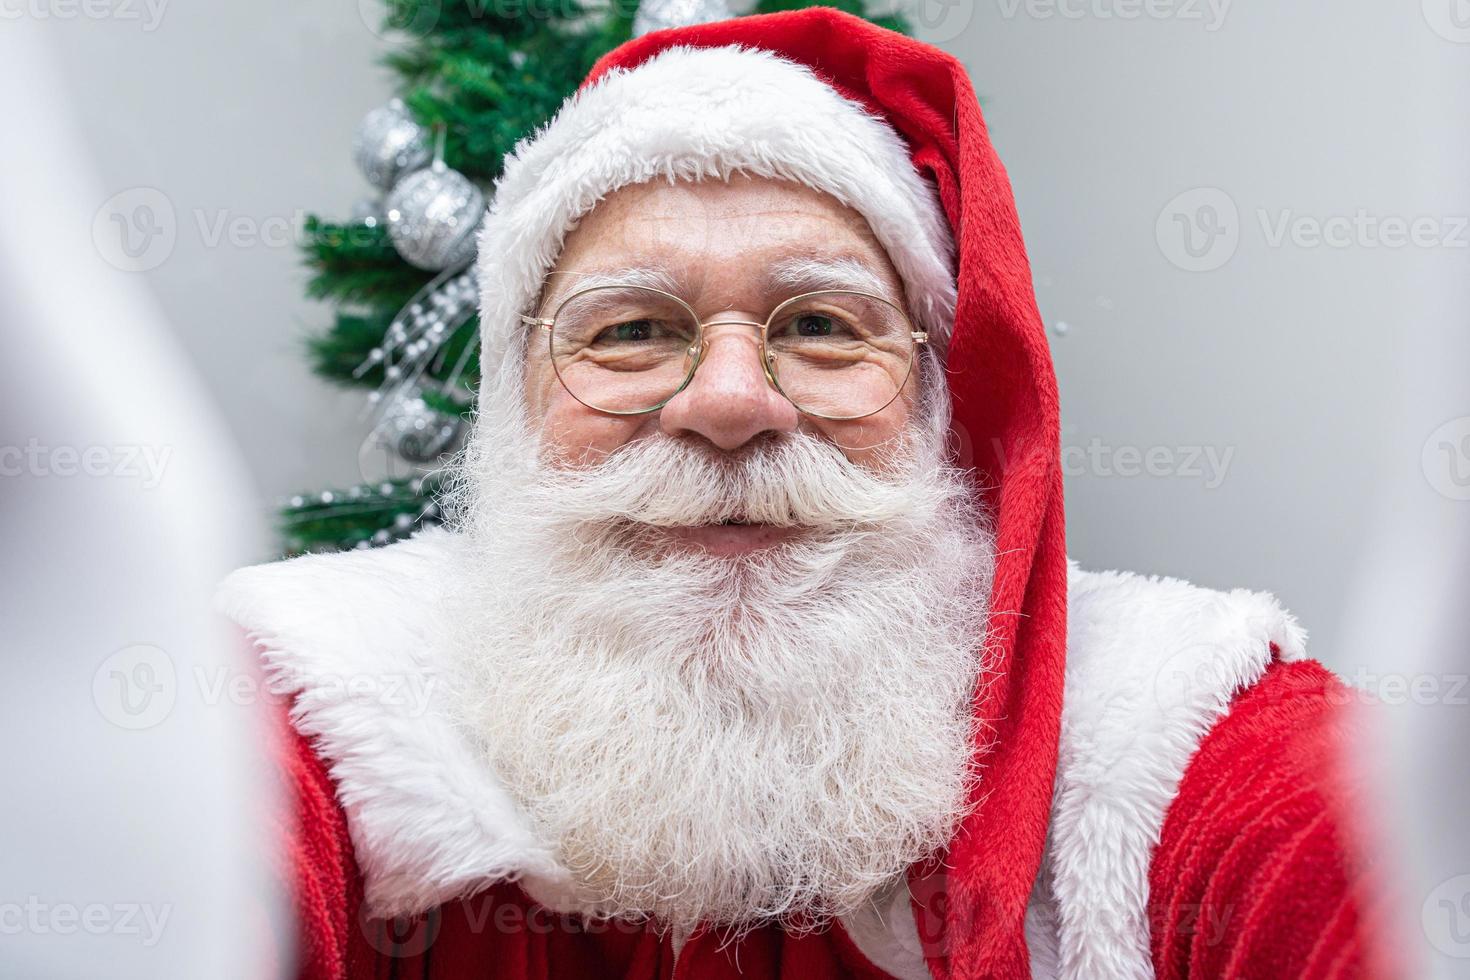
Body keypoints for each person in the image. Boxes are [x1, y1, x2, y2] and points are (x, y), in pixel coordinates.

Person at [219, 9, 1388, 978]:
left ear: (938, 403)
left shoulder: (1157, 722)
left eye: (824, 325)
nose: (730, 401)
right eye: (629, 330)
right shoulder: (329, 698)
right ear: (516, 407)